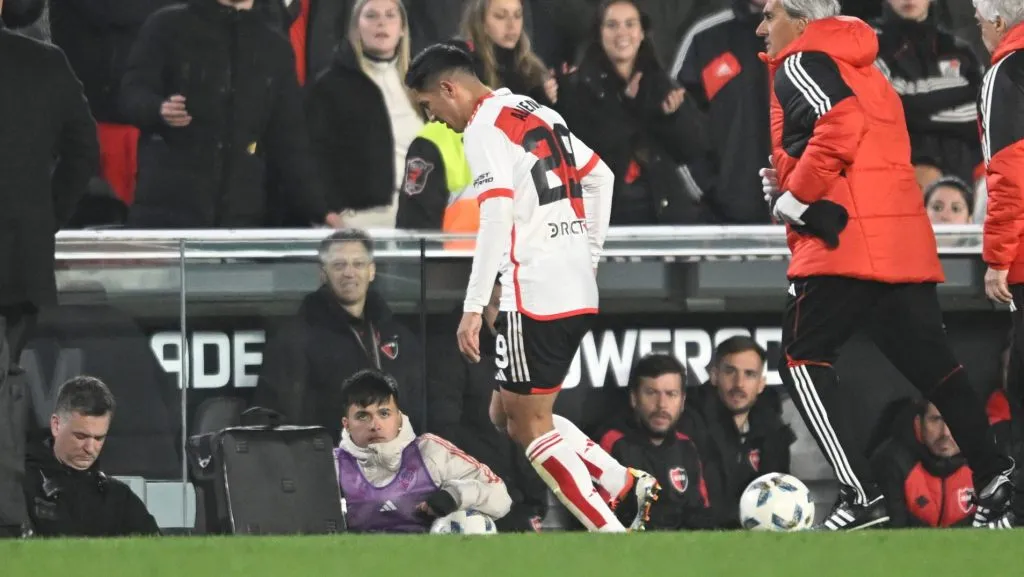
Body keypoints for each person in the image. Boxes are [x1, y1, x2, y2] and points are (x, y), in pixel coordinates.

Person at [756, 0, 1015, 530]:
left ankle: (862, 494)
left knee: (801, 360)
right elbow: (857, 145)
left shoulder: (802, 61)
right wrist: (786, 179)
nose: (761, 27)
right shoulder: (866, 65)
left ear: (801, 20)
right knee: (936, 369)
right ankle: (994, 475)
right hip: (900, 240)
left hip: (846, 244)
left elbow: (840, 124)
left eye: (769, 14)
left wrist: (794, 197)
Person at [405, 42, 660, 533]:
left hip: (536, 293)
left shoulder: (482, 128)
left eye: (429, 106)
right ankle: (621, 482)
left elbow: (496, 214)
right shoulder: (535, 110)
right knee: (506, 410)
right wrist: (585, 258)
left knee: (528, 425)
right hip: (575, 289)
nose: (433, 119)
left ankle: (611, 532)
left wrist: (474, 304)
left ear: (448, 88)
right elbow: (600, 177)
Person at [0, 0, 99, 537]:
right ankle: (8, 521)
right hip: (16, 268)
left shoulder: (45, 62)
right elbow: (85, 152)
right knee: (5, 391)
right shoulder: (44, 63)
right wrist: (43, 220)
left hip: (14, 269)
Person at [120, 0, 342, 229]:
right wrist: (158, 109)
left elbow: (290, 142)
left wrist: (320, 210)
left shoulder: (275, 46)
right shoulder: (166, 25)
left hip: (241, 220)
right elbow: (132, 94)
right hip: (167, 214)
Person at [254, 229, 425, 440]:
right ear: (323, 274)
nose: (349, 272)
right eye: (339, 265)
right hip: (330, 463)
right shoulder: (294, 340)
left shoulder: (399, 336)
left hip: (396, 462)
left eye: (358, 264)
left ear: (371, 271)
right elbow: (281, 420)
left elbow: (419, 409)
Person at [334, 369, 512, 533]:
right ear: (346, 424)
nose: (375, 426)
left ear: (398, 417)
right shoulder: (331, 466)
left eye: (384, 413)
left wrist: (455, 495)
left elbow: (500, 496)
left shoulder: (430, 452)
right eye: (362, 416)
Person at [976, 0, 1024, 456]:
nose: (977, 28)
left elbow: (1008, 175)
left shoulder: (1006, 74)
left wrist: (998, 259)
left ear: (997, 21)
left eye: (979, 19)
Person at [24, 376, 160, 537]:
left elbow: (158, 555)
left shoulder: (119, 498)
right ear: (56, 425)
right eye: (81, 436)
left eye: (98, 438)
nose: (90, 448)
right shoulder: (18, 486)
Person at [597, 354, 714, 530]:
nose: (662, 405)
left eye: (671, 394)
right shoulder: (615, 443)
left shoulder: (687, 447)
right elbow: (601, 516)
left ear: (682, 402)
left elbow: (701, 515)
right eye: (651, 393)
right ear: (634, 399)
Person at [690, 336, 794, 528]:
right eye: (730, 371)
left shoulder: (773, 430)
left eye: (750, 374)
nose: (739, 384)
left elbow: (780, 500)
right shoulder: (689, 425)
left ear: (761, 384)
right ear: (714, 375)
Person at [872, 401, 979, 528]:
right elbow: (894, 534)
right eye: (936, 420)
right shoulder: (892, 462)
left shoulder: (987, 463)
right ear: (918, 424)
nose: (946, 433)